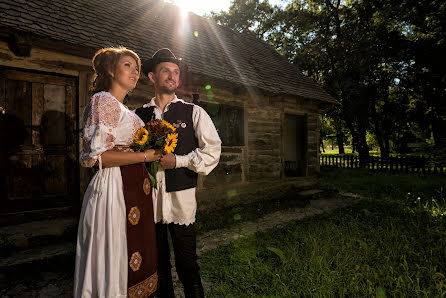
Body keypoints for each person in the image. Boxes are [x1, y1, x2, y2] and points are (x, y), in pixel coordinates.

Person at [74, 47, 161, 298]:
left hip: (133, 188)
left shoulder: (124, 109)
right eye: (127, 65)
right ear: (111, 70)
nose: (134, 72)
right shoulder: (103, 100)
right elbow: (97, 156)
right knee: (116, 248)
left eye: (136, 67)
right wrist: (146, 156)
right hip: (114, 188)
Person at [135, 48, 221, 298]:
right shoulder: (138, 116)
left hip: (181, 202)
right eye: (166, 71)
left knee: (187, 264)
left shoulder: (193, 112)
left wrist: (180, 161)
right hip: (150, 201)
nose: (172, 76)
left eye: (176, 72)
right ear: (152, 76)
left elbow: (212, 151)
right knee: (158, 266)